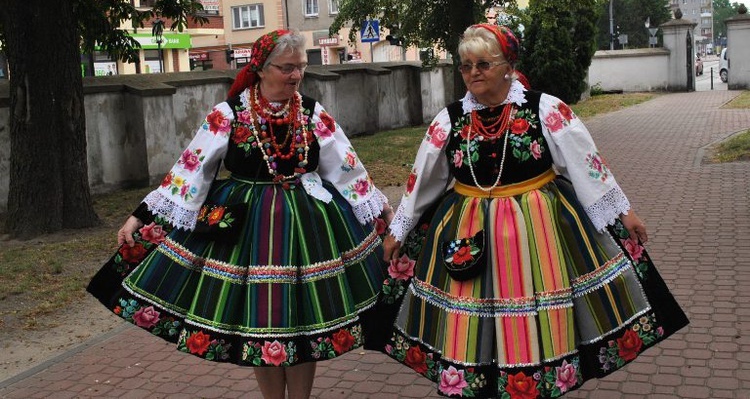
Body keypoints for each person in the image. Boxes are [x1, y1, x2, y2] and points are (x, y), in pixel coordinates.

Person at [378, 24, 688, 398]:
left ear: (508, 65)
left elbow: (586, 165)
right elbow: (422, 181)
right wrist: (399, 230)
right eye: (465, 65)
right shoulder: (450, 119)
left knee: (535, 325)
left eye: (483, 63)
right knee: (472, 327)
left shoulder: (544, 108)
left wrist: (625, 214)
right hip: (466, 230)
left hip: (536, 232)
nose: (473, 72)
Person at [88, 29, 394, 399]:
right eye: (286, 68)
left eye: (300, 67)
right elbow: (192, 169)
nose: (296, 75)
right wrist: (142, 216)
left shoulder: (312, 112)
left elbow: (345, 167)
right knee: (261, 320)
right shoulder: (229, 113)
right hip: (250, 227)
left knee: (304, 323)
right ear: (261, 69)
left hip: (309, 225)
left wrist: (381, 212)